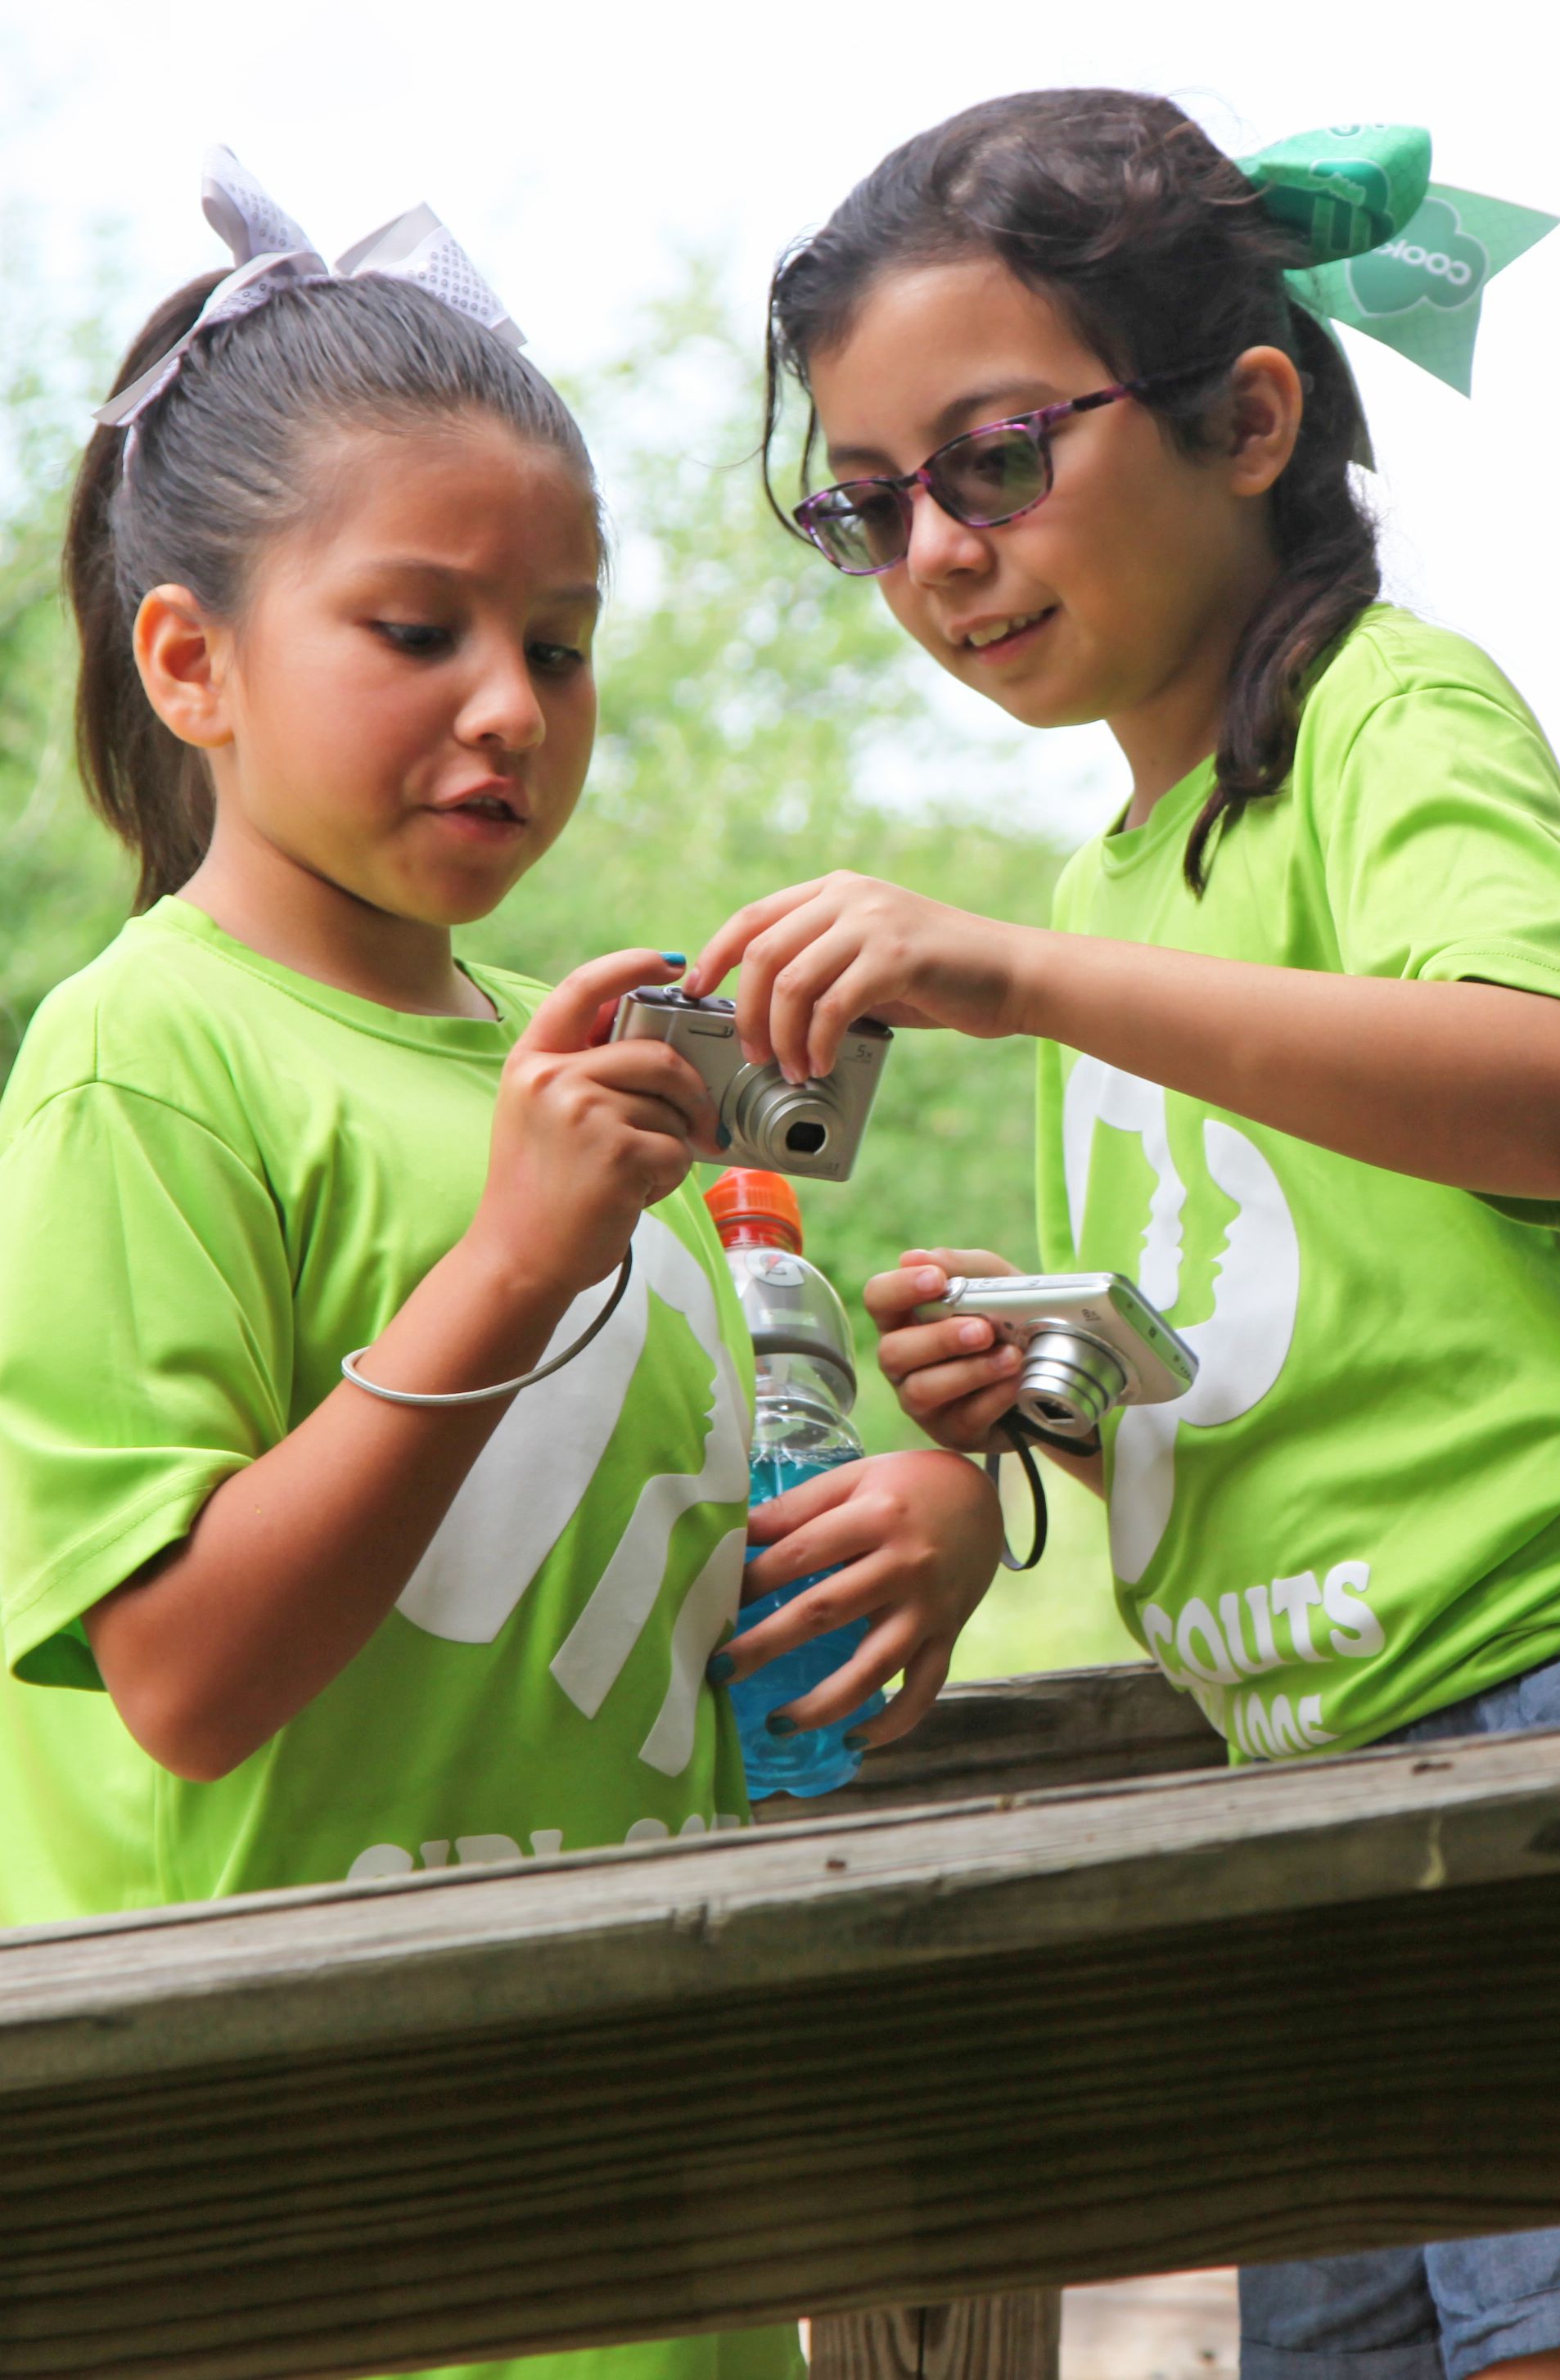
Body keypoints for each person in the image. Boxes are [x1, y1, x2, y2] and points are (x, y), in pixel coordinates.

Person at [693, 94, 1560, 2380]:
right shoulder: (1104, 883)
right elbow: (1261, 1328)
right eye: (868, 506)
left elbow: (1555, 1093)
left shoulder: (1384, 716)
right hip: (1320, 1774)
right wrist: (1018, 1415)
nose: (936, 551)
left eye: (991, 458)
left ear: (1246, 416)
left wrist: (1014, 980)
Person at [0, 156, 999, 2380]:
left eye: (559, 643)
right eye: (418, 625)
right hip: (289, 2235)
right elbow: (178, 1668)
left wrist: (917, 1534)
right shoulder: (142, 1058)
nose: (513, 704)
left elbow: (698, 1640)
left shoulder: (594, 1077)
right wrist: (514, 1260)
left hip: (649, 2232)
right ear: (192, 662)